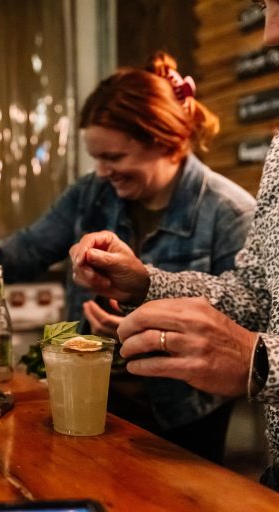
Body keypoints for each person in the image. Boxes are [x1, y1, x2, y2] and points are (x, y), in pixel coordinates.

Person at [0, 52, 256, 463]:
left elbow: (246, 323)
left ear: (164, 141)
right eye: (96, 157)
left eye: (114, 157)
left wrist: (146, 322)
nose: (102, 170)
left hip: (182, 416)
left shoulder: (230, 211)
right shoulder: (92, 192)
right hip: (91, 395)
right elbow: (33, 246)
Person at [69, 1, 279, 488]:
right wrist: (146, 282)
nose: (270, 34)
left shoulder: (225, 206)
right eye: (266, 6)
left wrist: (259, 360)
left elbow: (256, 343)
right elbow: (258, 298)